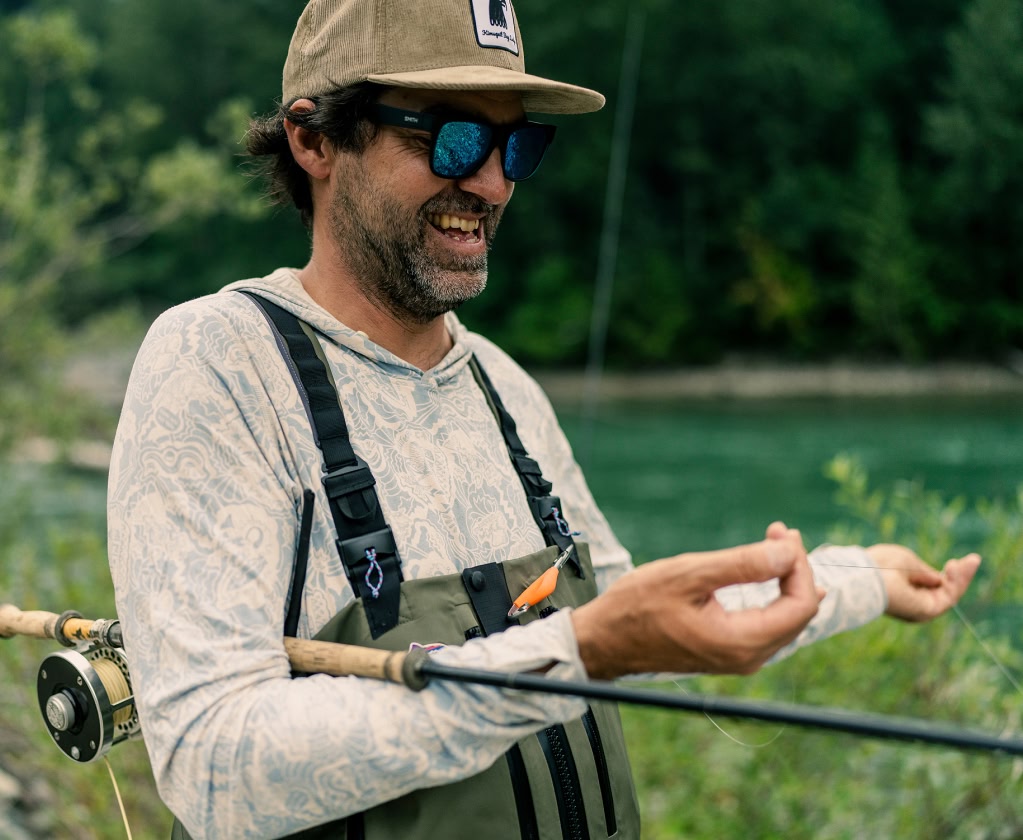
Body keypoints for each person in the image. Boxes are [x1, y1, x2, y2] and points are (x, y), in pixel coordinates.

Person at [107, 1, 980, 837]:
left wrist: (855, 579)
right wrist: (579, 655)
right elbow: (213, 769)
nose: (489, 182)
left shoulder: (502, 385)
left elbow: (628, 614)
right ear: (312, 138)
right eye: (451, 137)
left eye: (517, 144)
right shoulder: (216, 364)